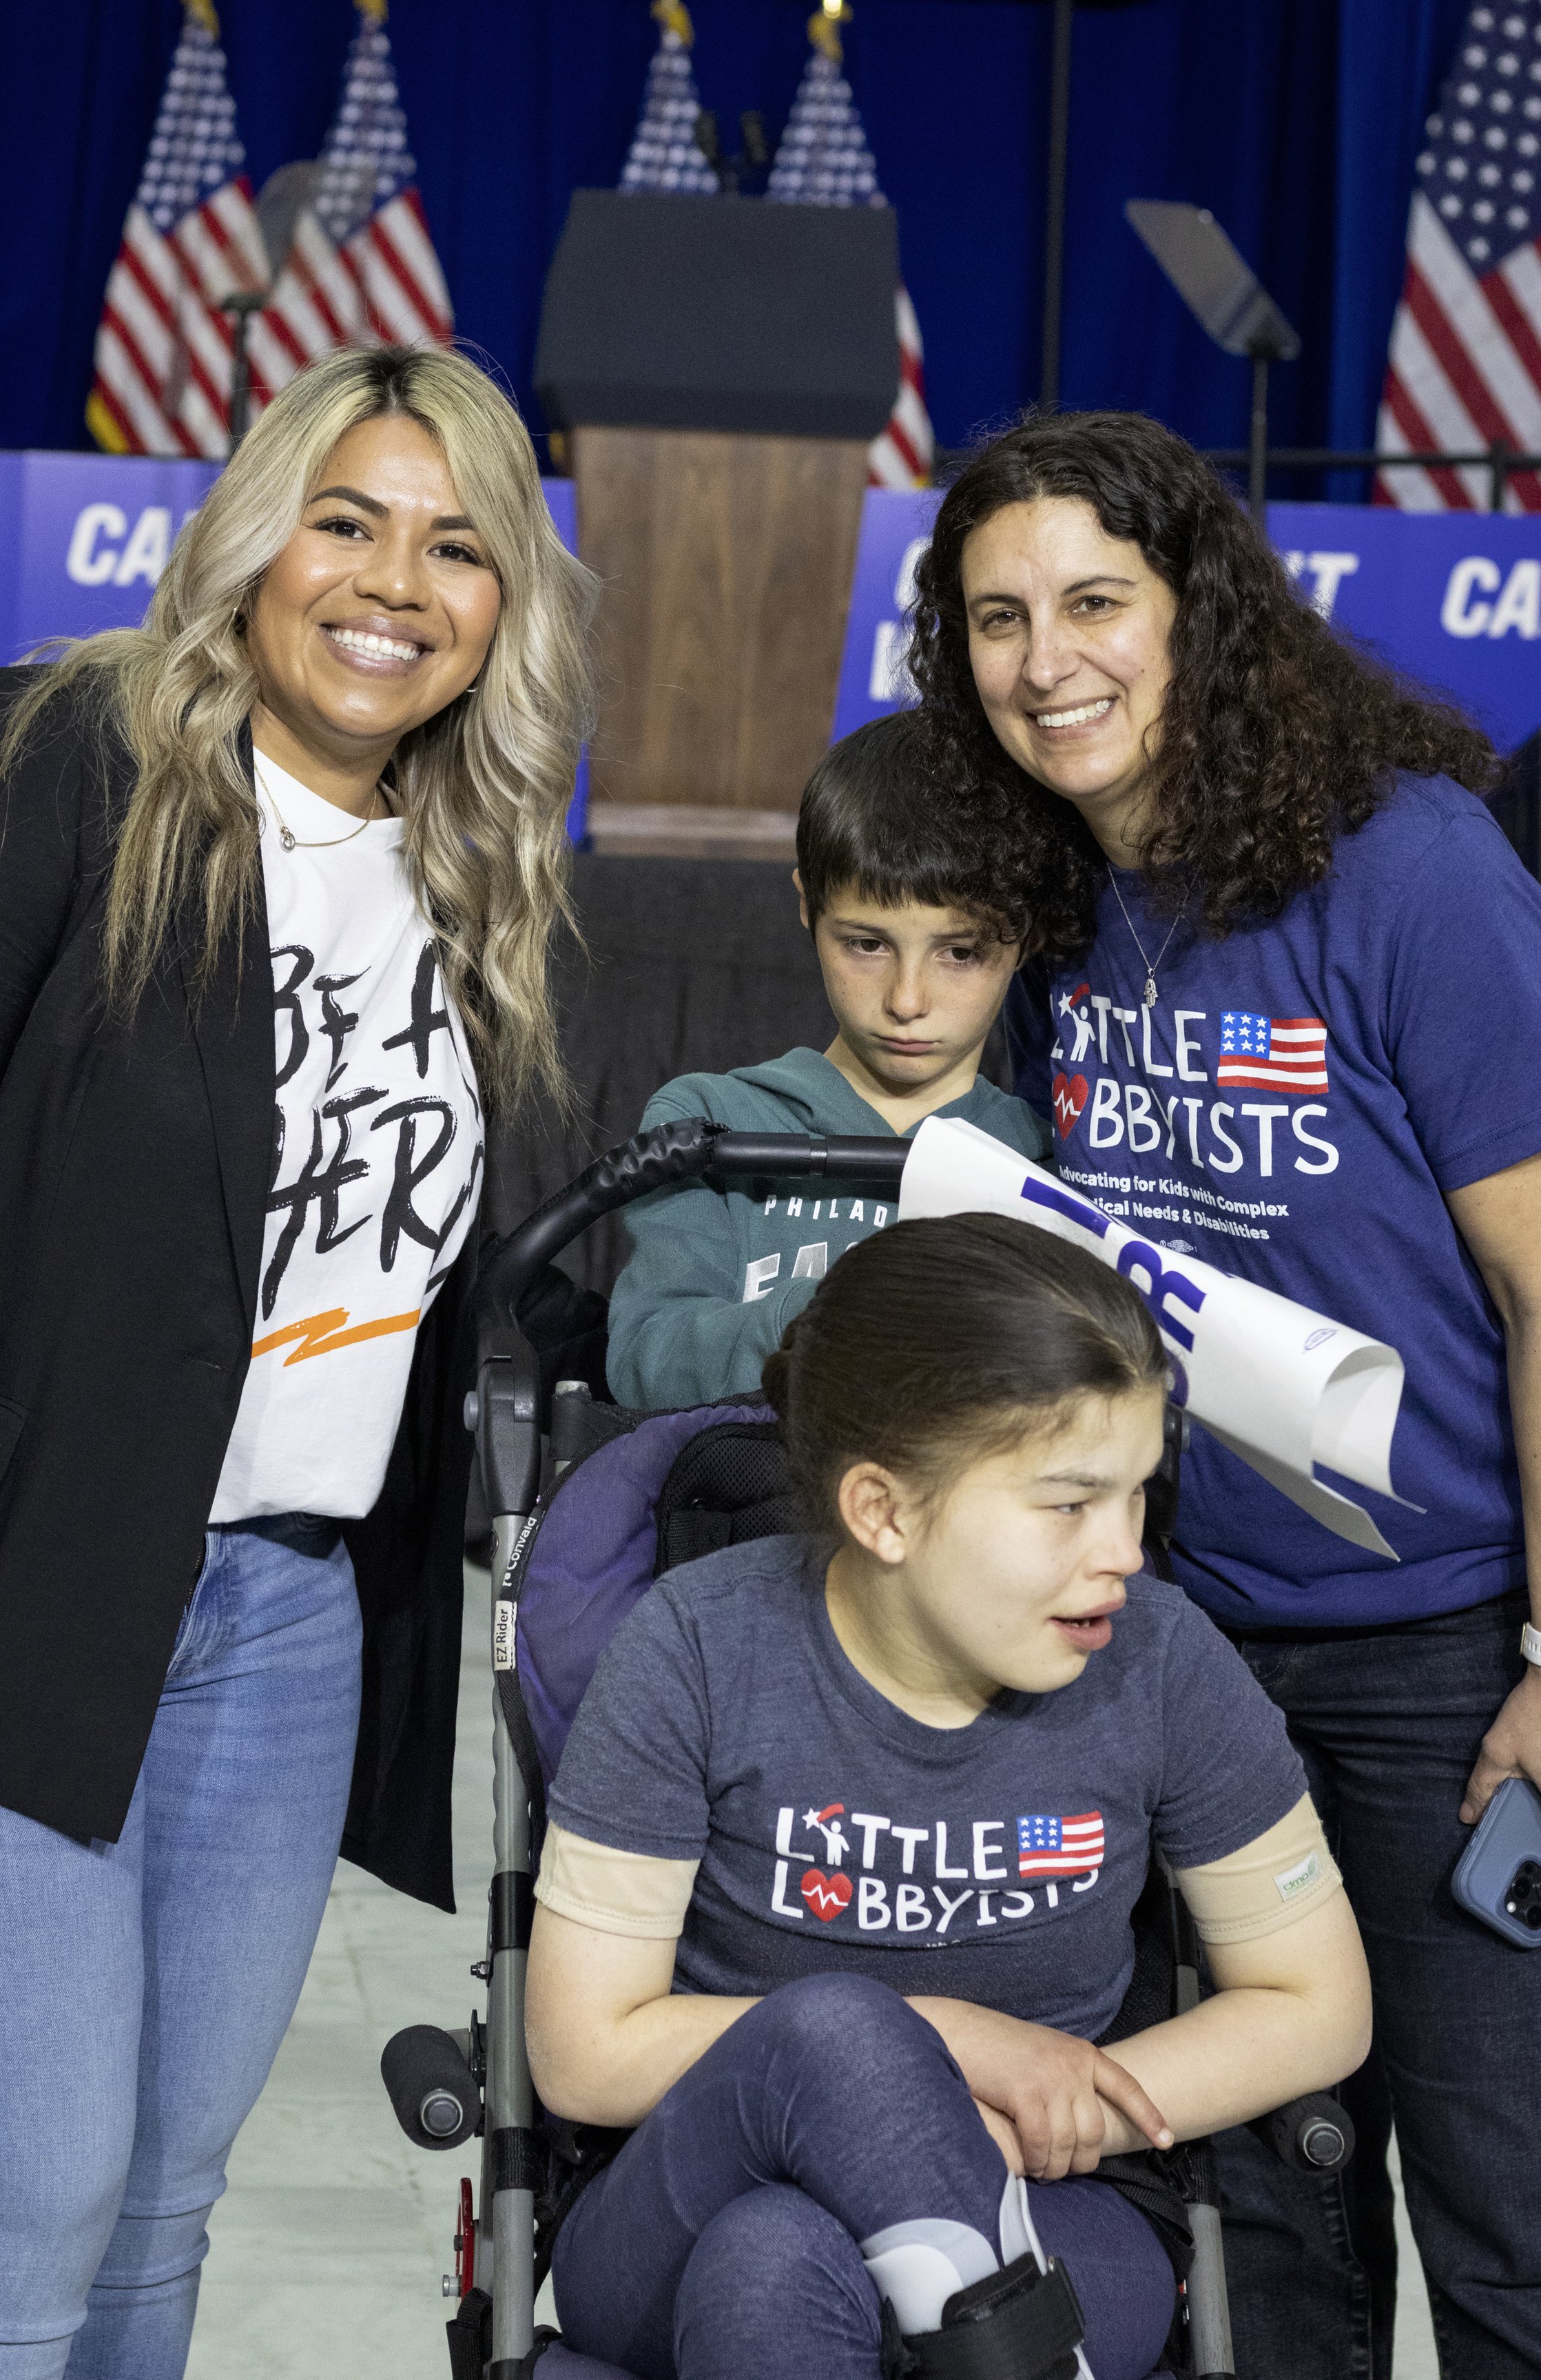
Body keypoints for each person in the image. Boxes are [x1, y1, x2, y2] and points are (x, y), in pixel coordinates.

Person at [0, 343, 593, 2379]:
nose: (392, 580)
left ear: (505, 599)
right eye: (344, 519)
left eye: (456, 544)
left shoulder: (453, 863)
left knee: (157, 2220)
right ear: (251, 538)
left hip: (283, 1616)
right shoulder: (54, 757)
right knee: (6, 2226)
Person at [910, 407, 1541, 2380]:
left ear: (1204, 617)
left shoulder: (1408, 866)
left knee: (1508, 2200)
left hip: (1442, 1657)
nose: (1046, 659)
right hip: (1176, 1643)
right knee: (1257, 2209)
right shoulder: (1061, 899)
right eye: (996, 618)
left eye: (1095, 600)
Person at [528, 1217, 1372, 2380]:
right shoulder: (697, 1647)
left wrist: (1062, 2114)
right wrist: (940, 2056)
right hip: (687, 2193)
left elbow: (1318, 2001)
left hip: (1056, 2191)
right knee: (839, 2032)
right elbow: (582, 2053)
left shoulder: (1162, 1660)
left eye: (1138, 1496)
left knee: (775, 2265)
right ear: (885, 1512)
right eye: (1070, 1504)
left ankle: (989, 2306)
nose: (1125, 1550)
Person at [606, 709, 1050, 1409]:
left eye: (960, 953)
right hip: (747, 1505)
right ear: (808, 908)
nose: (907, 1000)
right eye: (867, 945)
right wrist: (832, 1315)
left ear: (1028, 937)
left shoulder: (1042, 1157)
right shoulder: (712, 1124)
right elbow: (645, 1364)